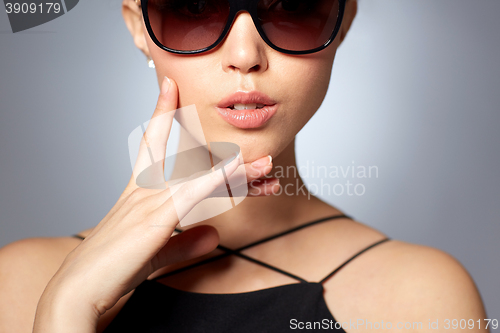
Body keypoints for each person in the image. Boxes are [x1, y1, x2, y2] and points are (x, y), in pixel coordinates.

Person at [0, 0, 488, 332]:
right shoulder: (22, 282)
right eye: (194, 7)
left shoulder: (421, 298)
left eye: (292, 8)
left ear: (343, 22)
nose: (244, 56)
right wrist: (67, 309)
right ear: (137, 25)